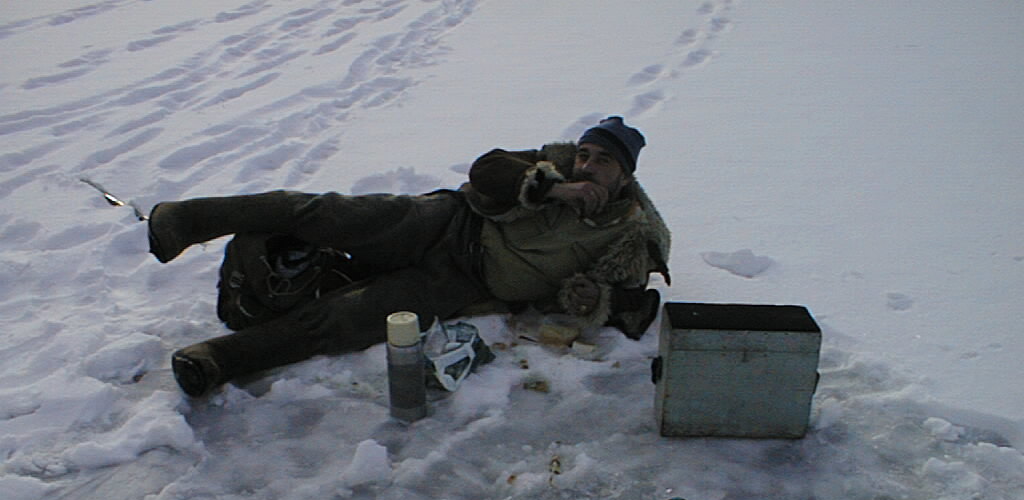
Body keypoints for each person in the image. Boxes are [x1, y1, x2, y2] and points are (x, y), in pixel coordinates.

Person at [149, 116, 671, 397]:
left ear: (625, 175)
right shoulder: (551, 166)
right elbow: (486, 169)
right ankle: (188, 219)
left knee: (347, 320)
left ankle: (218, 360)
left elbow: (630, 301)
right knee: (327, 213)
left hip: (464, 283)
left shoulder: (632, 236)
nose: (586, 164)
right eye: (584, 153)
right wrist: (550, 188)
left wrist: (594, 297)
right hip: (447, 220)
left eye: (602, 160)